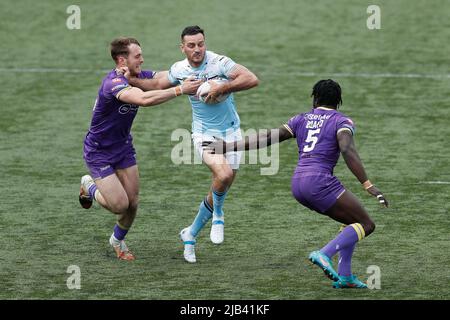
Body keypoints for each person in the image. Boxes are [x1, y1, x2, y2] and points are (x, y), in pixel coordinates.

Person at [205, 79, 388, 288]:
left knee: (351, 221)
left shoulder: (300, 119)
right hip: (321, 182)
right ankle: (324, 254)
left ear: (315, 98)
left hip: (298, 184)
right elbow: (347, 149)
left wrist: (228, 146)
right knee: (367, 224)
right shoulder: (341, 121)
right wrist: (367, 183)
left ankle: (345, 276)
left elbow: (267, 137)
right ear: (339, 102)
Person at [126, 25, 259, 263]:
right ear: (183, 48)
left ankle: (190, 234)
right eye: (191, 45)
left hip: (232, 133)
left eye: (201, 44)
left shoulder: (220, 62)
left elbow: (251, 78)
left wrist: (223, 86)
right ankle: (219, 215)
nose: (197, 49)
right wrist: (131, 79)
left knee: (219, 186)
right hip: (204, 134)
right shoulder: (180, 69)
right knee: (224, 175)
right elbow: (156, 84)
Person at [79, 37, 201, 261]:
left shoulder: (136, 76)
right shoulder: (113, 83)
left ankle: (117, 240)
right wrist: (180, 90)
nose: (142, 59)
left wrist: (192, 68)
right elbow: (144, 99)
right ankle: (89, 186)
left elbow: (163, 78)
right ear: (122, 59)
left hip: (123, 147)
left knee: (133, 202)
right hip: (99, 152)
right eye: (138, 56)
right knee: (119, 205)